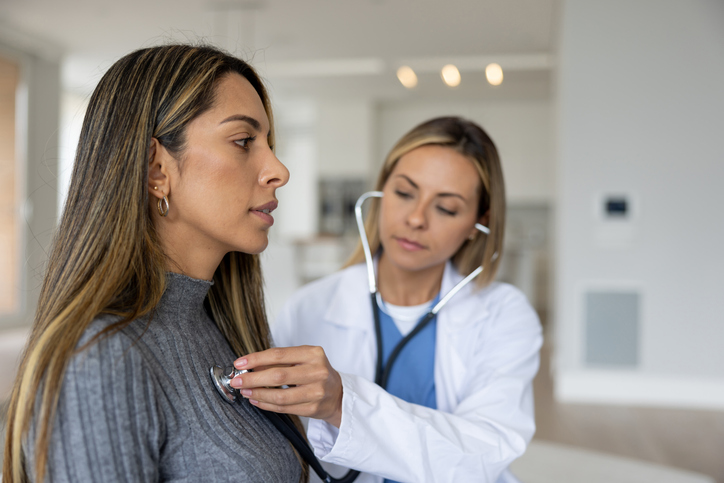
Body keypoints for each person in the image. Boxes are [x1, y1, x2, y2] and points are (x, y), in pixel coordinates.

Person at [2, 44, 308, 483]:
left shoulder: (218, 329)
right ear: (156, 169)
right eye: (243, 141)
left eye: (269, 144)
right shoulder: (102, 358)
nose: (279, 170)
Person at [230, 116, 543, 483]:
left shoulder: (504, 315)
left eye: (446, 208)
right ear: (382, 192)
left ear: (479, 222)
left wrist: (344, 404)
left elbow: (486, 452)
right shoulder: (311, 307)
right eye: (405, 193)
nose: (415, 218)